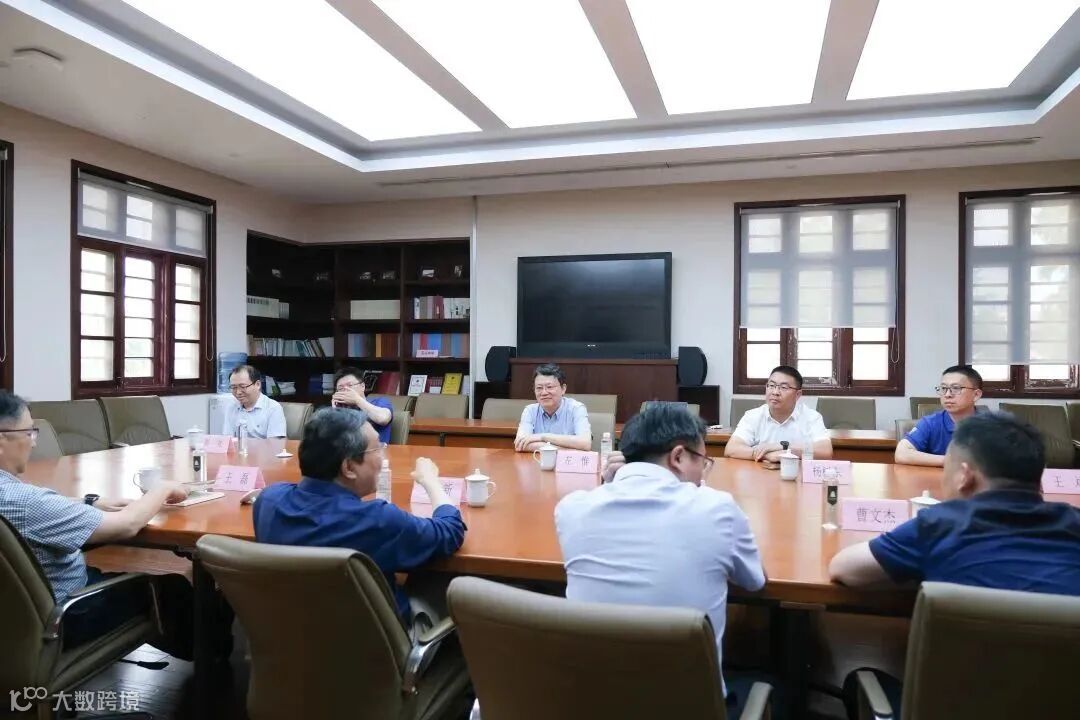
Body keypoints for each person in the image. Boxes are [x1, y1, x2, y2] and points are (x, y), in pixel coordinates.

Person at [830, 411, 1080, 718]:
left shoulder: (940, 524)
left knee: (859, 677)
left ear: (964, 476)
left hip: (951, 708)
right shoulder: (1074, 523)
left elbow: (844, 569)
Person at [555, 402, 767, 714]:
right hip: (689, 708)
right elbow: (754, 581)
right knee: (770, 682)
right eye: (702, 462)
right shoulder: (716, 508)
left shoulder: (571, 509)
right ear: (678, 456)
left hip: (592, 705)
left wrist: (609, 484)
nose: (701, 474)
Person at [0, 390, 198, 656]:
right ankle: (214, 664)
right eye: (29, 433)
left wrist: (90, 501)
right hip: (67, 613)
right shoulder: (25, 502)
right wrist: (162, 488)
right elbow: (127, 524)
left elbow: (41, 508)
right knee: (173, 591)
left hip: (13, 617)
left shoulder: (19, 499)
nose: (34, 444)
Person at [253, 407, 466, 624]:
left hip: (288, 635)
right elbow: (450, 530)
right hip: (377, 641)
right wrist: (430, 480)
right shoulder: (377, 520)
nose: (383, 458)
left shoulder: (268, 501)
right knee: (444, 581)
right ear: (348, 467)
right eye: (377, 449)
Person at [724, 365, 833, 462]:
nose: (775, 392)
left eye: (783, 387)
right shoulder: (753, 416)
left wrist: (783, 447)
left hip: (797, 475)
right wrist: (765, 455)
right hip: (760, 474)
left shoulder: (811, 417)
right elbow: (731, 448)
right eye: (771, 385)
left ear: (798, 394)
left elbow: (826, 451)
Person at [895, 365, 983, 466]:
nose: (947, 394)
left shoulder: (990, 426)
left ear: (976, 395)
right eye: (943, 388)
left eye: (956, 388)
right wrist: (950, 461)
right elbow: (901, 454)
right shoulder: (930, 423)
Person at [514, 363, 591, 452]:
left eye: (549, 387)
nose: (544, 393)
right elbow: (520, 444)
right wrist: (571, 449)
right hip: (537, 460)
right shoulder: (530, 411)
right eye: (539, 388)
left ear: (563, 389)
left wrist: (543, 437)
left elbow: (585, 443)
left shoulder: (576, 408)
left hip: (567, 461)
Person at [331, 366, 394, 445]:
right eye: (341, 388)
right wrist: (335, 413)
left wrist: (357, 400)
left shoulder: (379, 402)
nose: (346, 391)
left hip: (375, 451)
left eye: (350, 386)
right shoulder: (340, 408)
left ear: (362, 386)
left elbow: (383, 419)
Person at [221, 364, 287, 439]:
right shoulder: (231, 407)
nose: (238, 392)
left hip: (264, 447)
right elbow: (228, 439)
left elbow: (275, 443)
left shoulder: (273, 408)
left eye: (243, 387)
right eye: (234, 387)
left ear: (257, 384)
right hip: (238, 447)